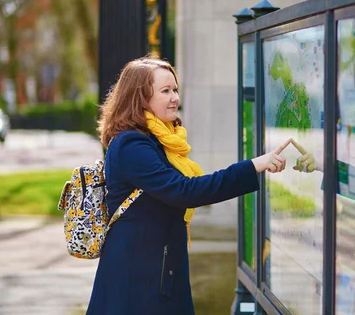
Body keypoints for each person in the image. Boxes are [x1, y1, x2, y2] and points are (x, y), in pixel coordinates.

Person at [86, 56, 291, 315]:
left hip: (157, 273)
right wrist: (253, 166)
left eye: (175, 89)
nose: (175, 98)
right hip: (137, 281)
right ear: (140, 98)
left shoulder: (159, 141)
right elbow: (185, 191)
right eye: (165, 91)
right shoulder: (132, 146)